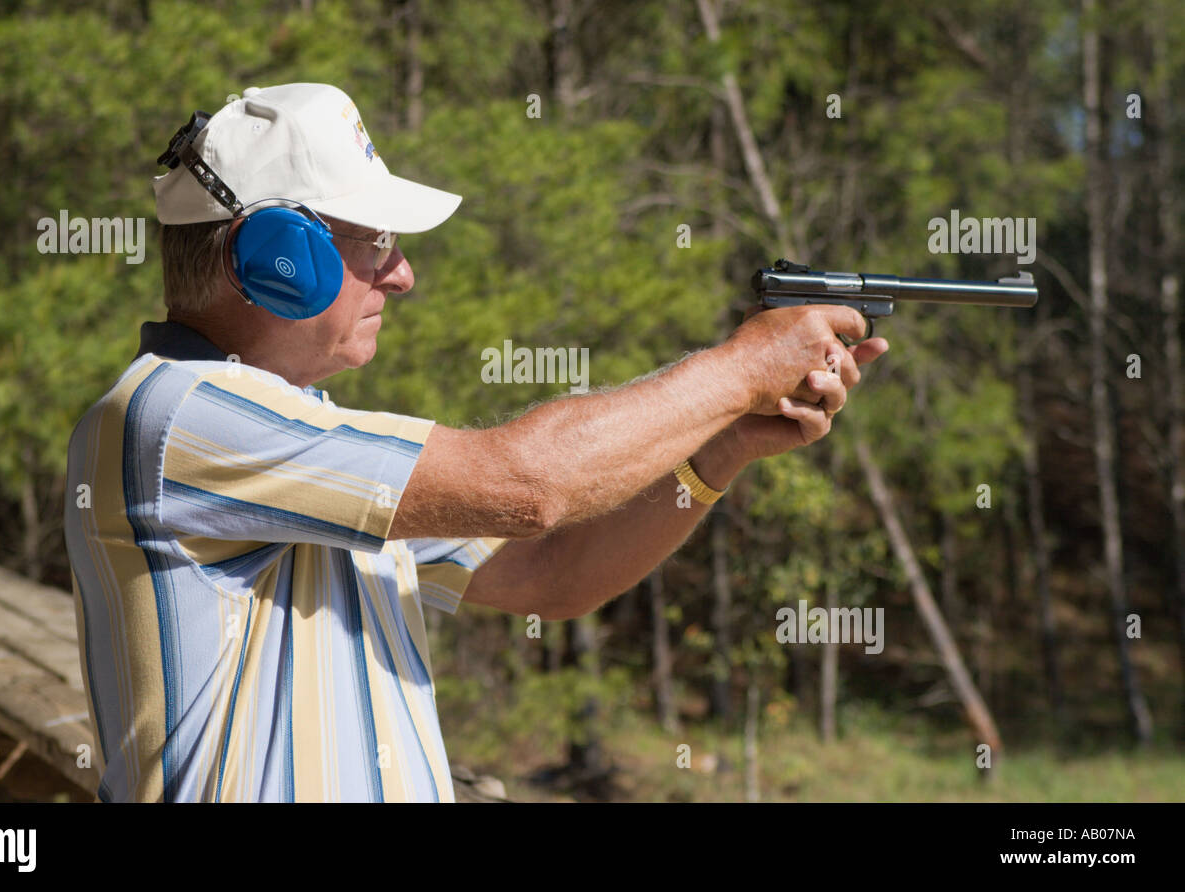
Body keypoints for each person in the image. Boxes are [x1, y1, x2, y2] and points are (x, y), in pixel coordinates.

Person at [63, 82, 888, 802]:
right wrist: (741, 368)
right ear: (279, 256)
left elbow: (551, 574)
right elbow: (531, 487)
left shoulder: (292, 430)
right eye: (375, 240)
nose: (402, 273)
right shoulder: (178, 414)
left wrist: (721, 448)